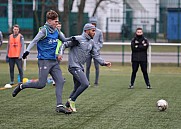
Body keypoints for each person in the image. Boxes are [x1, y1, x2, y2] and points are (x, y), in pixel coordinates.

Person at [12, 10, 72, 114]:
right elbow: (34, 41)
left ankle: (59, 106)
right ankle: (22, 86)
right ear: (49, 21)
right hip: (44, 61)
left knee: (60, 81)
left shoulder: (57, 31)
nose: (57, 23)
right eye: (55, 21)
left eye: (58, 21)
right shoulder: (44, 31)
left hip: (53, 61)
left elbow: (65, 40)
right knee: (41, 84)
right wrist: (27, 51)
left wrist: (76, 39)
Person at [60, 23, 111, 112]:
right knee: (85, 84)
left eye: (95, 30)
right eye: (93, 30)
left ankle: (67, 105)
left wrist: (103, 63)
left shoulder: (91, 42)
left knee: (77, 88)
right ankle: (72, 100)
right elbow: (64, 44)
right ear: (86, 31)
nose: (94, 33)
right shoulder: (78, 39)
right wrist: (60, 54)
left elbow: (96, 54)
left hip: (80, 67)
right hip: (73, 66)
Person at [86, 17, 104, 86]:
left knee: (97, 67)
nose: (93, 25)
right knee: (87, 67)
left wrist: (97, 48)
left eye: (94, 24)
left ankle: (96, 82)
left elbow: (101, 42)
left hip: (96, 52)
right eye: (92, 24)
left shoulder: (99, 32)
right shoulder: (87, 31)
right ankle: (87, 82)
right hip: (88, 51)